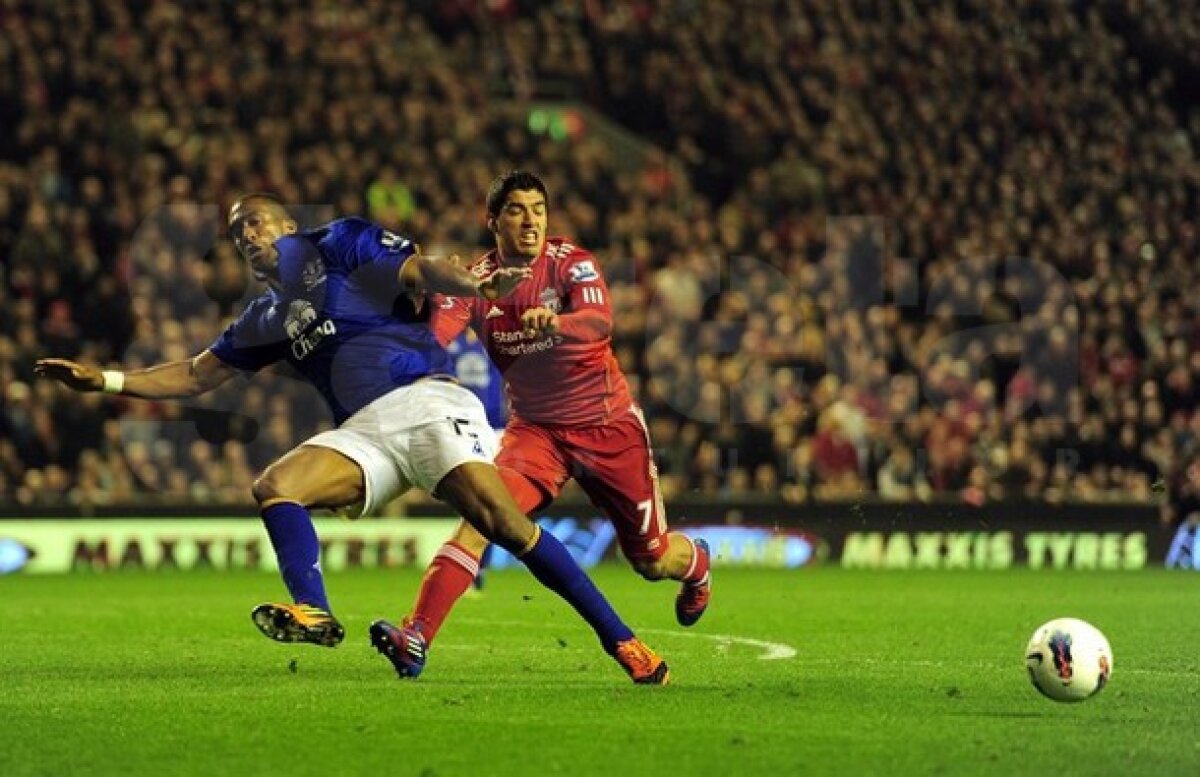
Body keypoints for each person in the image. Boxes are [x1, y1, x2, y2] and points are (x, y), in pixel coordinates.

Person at [35, 193, 669, 685]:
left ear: (287, 226)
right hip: (365, 431)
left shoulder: (338, 241)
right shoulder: (264, 317)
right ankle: (313, 610)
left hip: (426, 400)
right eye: (236, 233)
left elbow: (418, 269)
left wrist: (473, 286)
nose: (247, 236)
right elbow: (198, 375)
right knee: (276, 486)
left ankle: (623, 642)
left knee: (506, 527)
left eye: (255, 223)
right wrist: (105, 380)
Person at [391, 171, 712, 675]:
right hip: (536, 433)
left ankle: (697, 565)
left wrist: (557, 323)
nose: (530, 221)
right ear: (492, 221)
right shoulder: (475, 282)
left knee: (651, 561)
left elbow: (600, 321)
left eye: (538, 210)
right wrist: (417, 309)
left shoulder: (570, 263)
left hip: (607, 426)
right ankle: (415, 637)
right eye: (517, 210)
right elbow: (437, 334)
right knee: (483, 519)